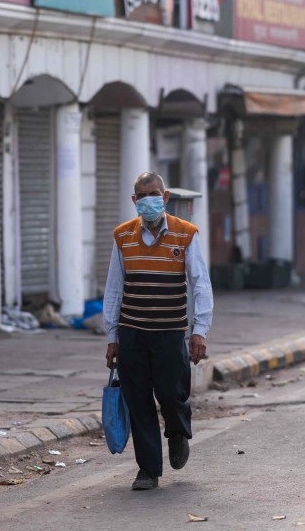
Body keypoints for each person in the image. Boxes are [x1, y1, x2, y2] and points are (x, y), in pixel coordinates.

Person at [103, 172, 214, 491]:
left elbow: (200, 285)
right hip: (132, 333)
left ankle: (178, 432)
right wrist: (112, 336)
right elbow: (114, 288)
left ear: (164, 198)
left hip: (170, 333)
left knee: (171, 394)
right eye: (142, 195)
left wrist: (199, 331)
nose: (149, 200)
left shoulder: (186, 233)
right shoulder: (122, 236)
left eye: (154, 194)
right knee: (137, 401)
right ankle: (148, 469)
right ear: (135, 202)